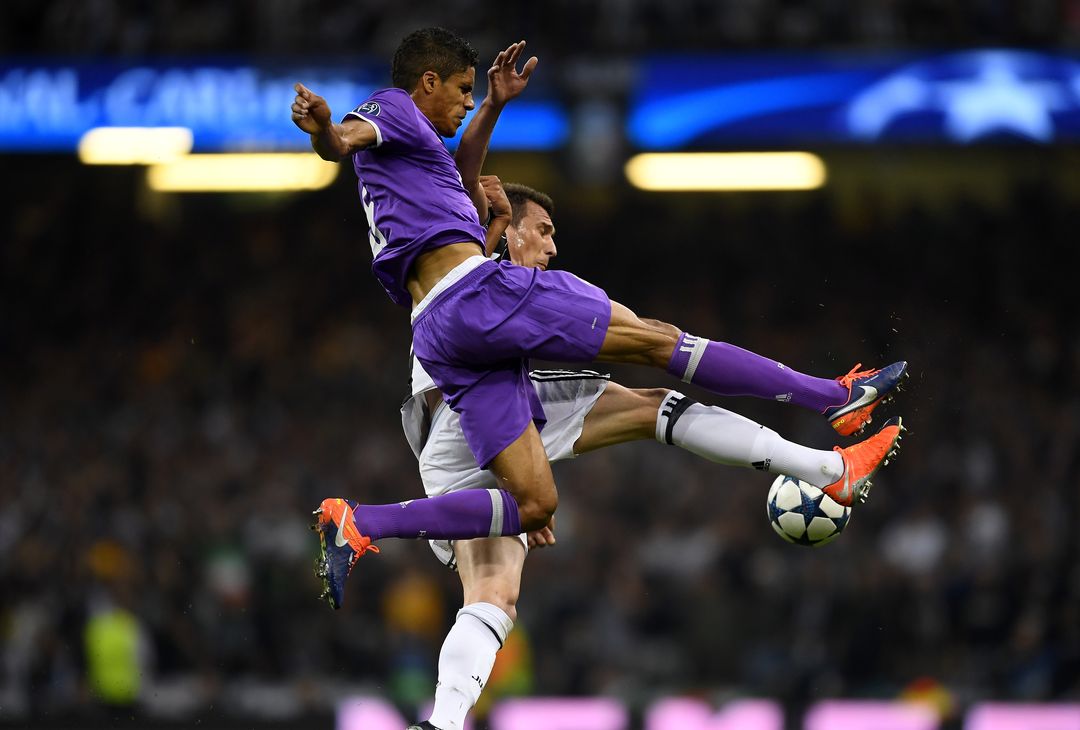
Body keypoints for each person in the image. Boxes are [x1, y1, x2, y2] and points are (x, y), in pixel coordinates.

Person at [290, 27, 907, 611]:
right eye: (463, 90)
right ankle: (833, 398)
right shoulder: (393, 108)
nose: (467, 101)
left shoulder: (418, 158)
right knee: (657, 342)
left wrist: (495, 108)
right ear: (427, 82)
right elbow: (342, 140)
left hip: (438, 330)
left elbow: (464, 171)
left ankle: (360, 522)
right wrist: (325, 130)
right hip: (473, 293)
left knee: (533, 506)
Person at [399, 178, 904, 730]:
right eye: (542, 232)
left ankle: (442, 722)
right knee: (659, 351)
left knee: (493, 594)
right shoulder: (493, 280)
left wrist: (522, 483)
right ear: (507, 229)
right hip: (481, 408)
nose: (551, 247)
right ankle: (832, 417)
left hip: (447, 446)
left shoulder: (444, 283)